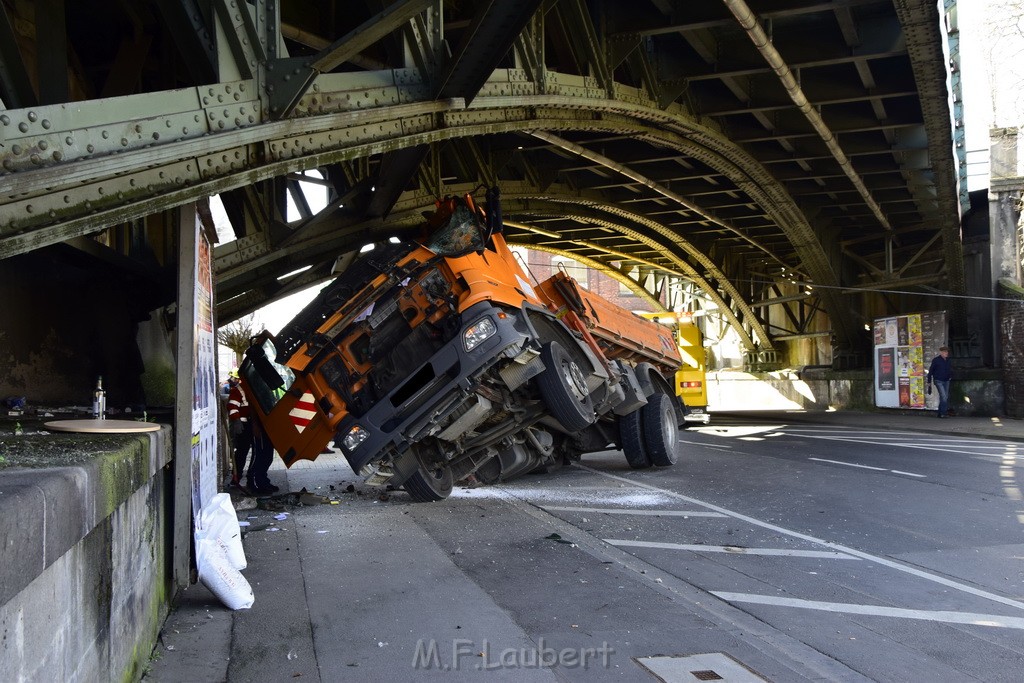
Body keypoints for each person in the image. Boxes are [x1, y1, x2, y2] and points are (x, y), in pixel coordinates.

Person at [227, 374, 279, 495]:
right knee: (244, 453)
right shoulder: (239, 390)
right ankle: (248, 480)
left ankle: (261, 480)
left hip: (255, 424)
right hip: (245, 426)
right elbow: (232, 406)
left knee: (261, 453)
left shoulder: (254, 388)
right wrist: (236, 420)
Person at [926, 346, 952, 418]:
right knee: (944, 396)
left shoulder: (948, 360)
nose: (946, 353)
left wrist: (950, 377)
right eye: (944, 352)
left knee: (944, 397)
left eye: (947, 352)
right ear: (941, 352)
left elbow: (949, 369)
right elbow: (930, 371)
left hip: (946, 380)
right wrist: (929, 381)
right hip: (938, 380)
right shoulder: (936, 360)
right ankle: (943, 413)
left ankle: (940, 413)